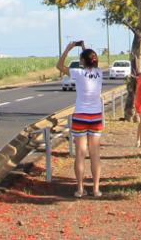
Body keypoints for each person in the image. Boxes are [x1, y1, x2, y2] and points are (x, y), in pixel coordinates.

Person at [56, 40, 105, 197]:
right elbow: (90, 62)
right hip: (96, 117)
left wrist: (69, 48)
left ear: (82, 61)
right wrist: (85, 49)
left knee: (80, 154)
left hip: (80, 116)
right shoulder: (99, 73)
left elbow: (59, 65)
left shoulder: (78, 73)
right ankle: (96, 189)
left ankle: (80, 189)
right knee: (95, 154)